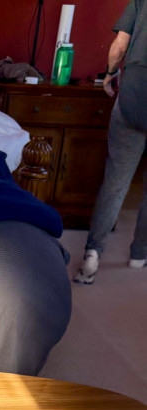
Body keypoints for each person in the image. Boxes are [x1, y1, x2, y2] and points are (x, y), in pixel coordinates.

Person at [74, 0, 147, 284]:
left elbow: (119, 46)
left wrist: (110, 72)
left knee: (116, 181)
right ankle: (139, 255)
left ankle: (92, 255)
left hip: (136, 91)